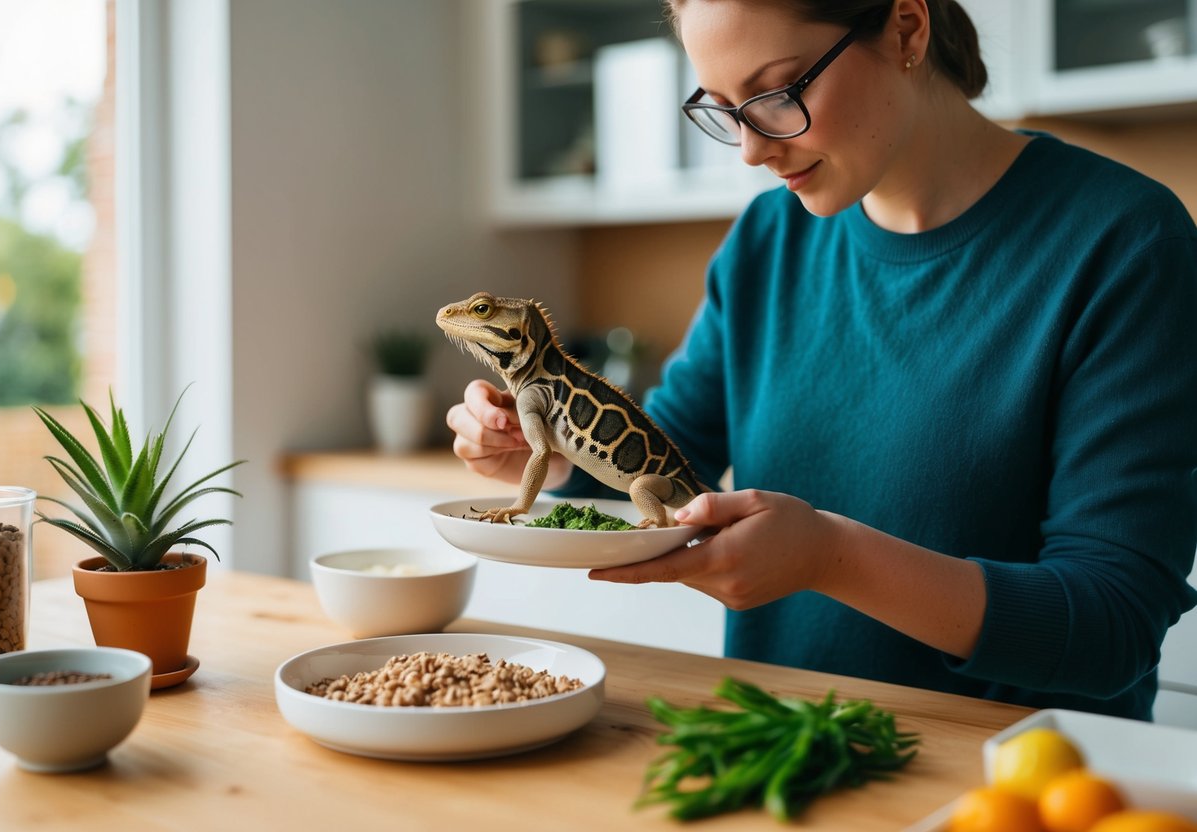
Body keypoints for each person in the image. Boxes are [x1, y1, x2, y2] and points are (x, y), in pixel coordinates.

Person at [445, 0, 1197, 720]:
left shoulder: (1123, 242)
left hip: (1009, 782)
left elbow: (1111, 627)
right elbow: (669, 456)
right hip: (780, 743)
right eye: (720, 106)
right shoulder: (766, 240)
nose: (750, 148)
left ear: (905, 27)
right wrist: (540, 452)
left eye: (775, 93)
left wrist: (830, 558)